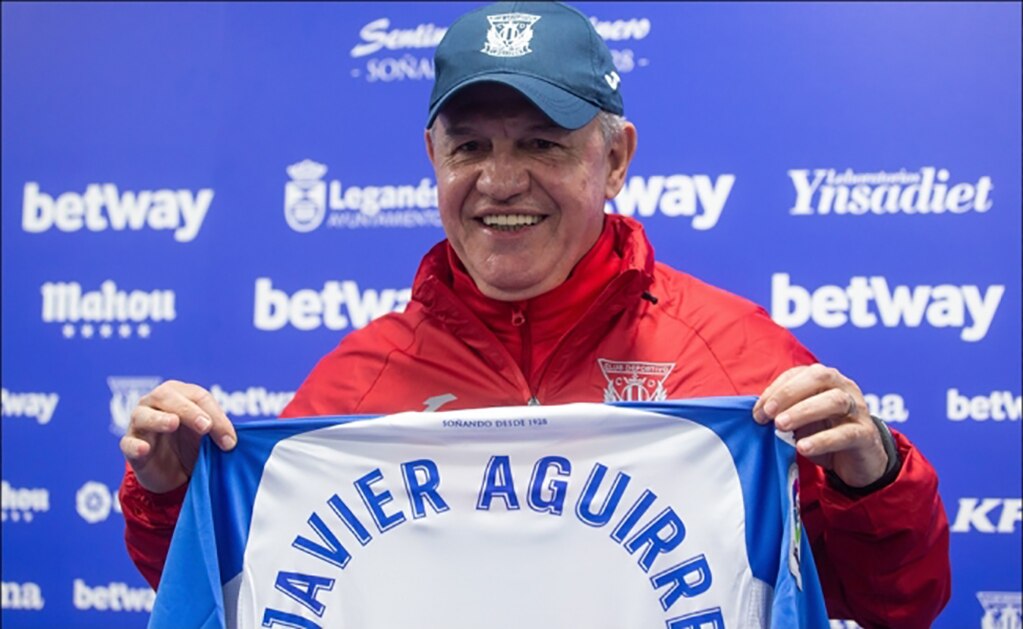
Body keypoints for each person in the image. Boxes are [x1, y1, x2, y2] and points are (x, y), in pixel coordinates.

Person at [119, 2, 950, 627]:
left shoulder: (737, 357)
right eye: (470, 145)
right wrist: (172, 493)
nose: (500, 179)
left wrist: (870, 473)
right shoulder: (353, 384)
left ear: (615, 157)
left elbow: (898, 598)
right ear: (433, 159)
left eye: (543, 143)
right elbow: (243, 593)